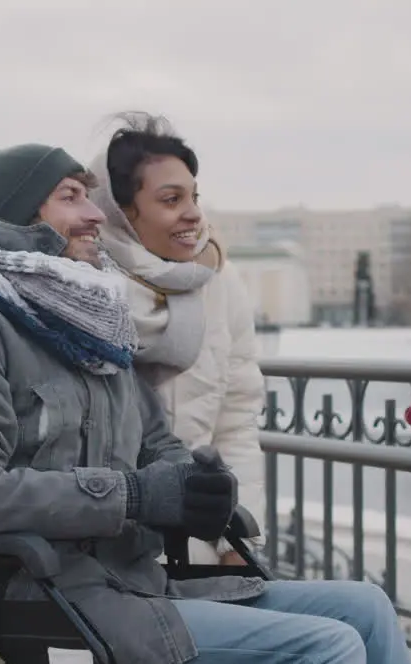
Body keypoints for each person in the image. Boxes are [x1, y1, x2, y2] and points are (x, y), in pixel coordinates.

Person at [0, 142, 411, 664]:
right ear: (12, 217)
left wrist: (198, 488)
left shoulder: (84, 320)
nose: (96, 213)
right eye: (71, 198)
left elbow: (158, 444)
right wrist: (134, 496)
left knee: (366, 609)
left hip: (134, 586)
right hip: (47, 606)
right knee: (323, 652)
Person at [86, 112, 267, 568]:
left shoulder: (218, 281)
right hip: (107, 551)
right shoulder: (81, 287)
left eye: (194, 196)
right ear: (122, 212)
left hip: (202, 540)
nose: (193, 213)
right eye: (171, 199)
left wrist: (239, 543)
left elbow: (237, 422)